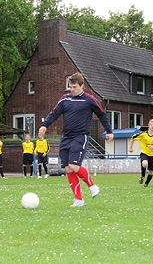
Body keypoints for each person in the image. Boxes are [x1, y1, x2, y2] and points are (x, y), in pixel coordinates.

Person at [39, 72, 113, 207]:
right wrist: (45, 125)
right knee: (67, 169)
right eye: (70, 87)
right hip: (66, 137)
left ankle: (92, 186)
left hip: (80, 136)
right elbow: (54, 113)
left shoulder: (90, 100)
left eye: (74, 87)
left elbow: (102, 115)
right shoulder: (65, 99)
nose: (72, 90)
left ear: (82, 86)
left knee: (74, 166)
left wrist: (109, 131)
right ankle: (79, 200)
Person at [128, 119, 153, 187]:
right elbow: (133, 137)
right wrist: (130, 147)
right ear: (148, 126)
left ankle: (146, 184)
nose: (152, 126)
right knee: (145, 164)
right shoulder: (143, 134)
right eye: (151, 125)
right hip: (144, 153)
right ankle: (142, 176)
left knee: (150, 172)